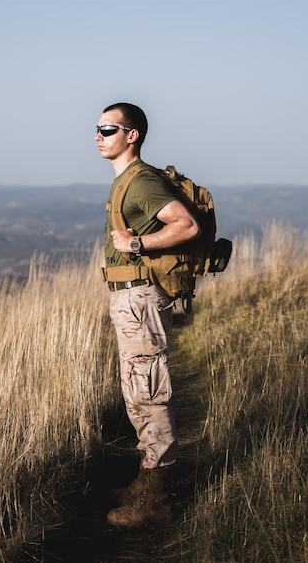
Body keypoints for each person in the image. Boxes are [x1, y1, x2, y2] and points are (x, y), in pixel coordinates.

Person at [97, 102, 201, 528]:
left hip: (139, 298)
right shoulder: (127, 180)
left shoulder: (141, 182)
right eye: (98, 128)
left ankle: (158, 502)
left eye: (108, 128)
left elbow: (187, 225)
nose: (99, 135)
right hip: (130, 298)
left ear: (132, 134)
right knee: (136, 391)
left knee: (148, 391)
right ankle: (147, 481)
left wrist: (137, 246)